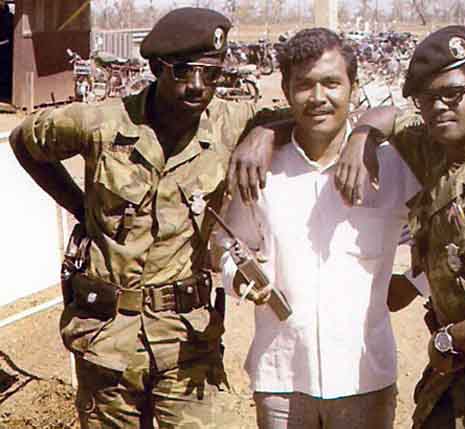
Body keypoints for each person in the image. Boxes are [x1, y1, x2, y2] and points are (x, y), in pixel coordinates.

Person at [229, 25, 465, 429]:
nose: (438, 107)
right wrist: (350, 134)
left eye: (451, 94)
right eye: (426, 97)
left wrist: (445, 331)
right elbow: (379, 117)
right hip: (449, 377)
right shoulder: (434, 149)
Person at [9, 7, 280, 428]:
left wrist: (265, 133)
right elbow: (25, 139)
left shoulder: (230, 121)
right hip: (107, 340)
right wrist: (78, 205)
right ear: (156, 68)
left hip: (188, 343)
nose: (197, 86)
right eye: (183, 71)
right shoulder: (101, 122)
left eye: (210, 74)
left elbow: (304, 115)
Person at [218, 28, 425, 429]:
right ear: (285, 89)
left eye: (332, 83)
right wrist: (240, 278)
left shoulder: (392, 165)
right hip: (282, 376)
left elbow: (445, 231)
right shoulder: (261, 166)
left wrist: (417, 283)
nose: (318, 97)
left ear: (354, 86)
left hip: (364, 376)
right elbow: (228, 241)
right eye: (304, 85)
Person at [0, 0, 13, 99]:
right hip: (5, 46)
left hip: (5, 46)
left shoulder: (8, 17)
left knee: (4, 71)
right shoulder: (9, 17)